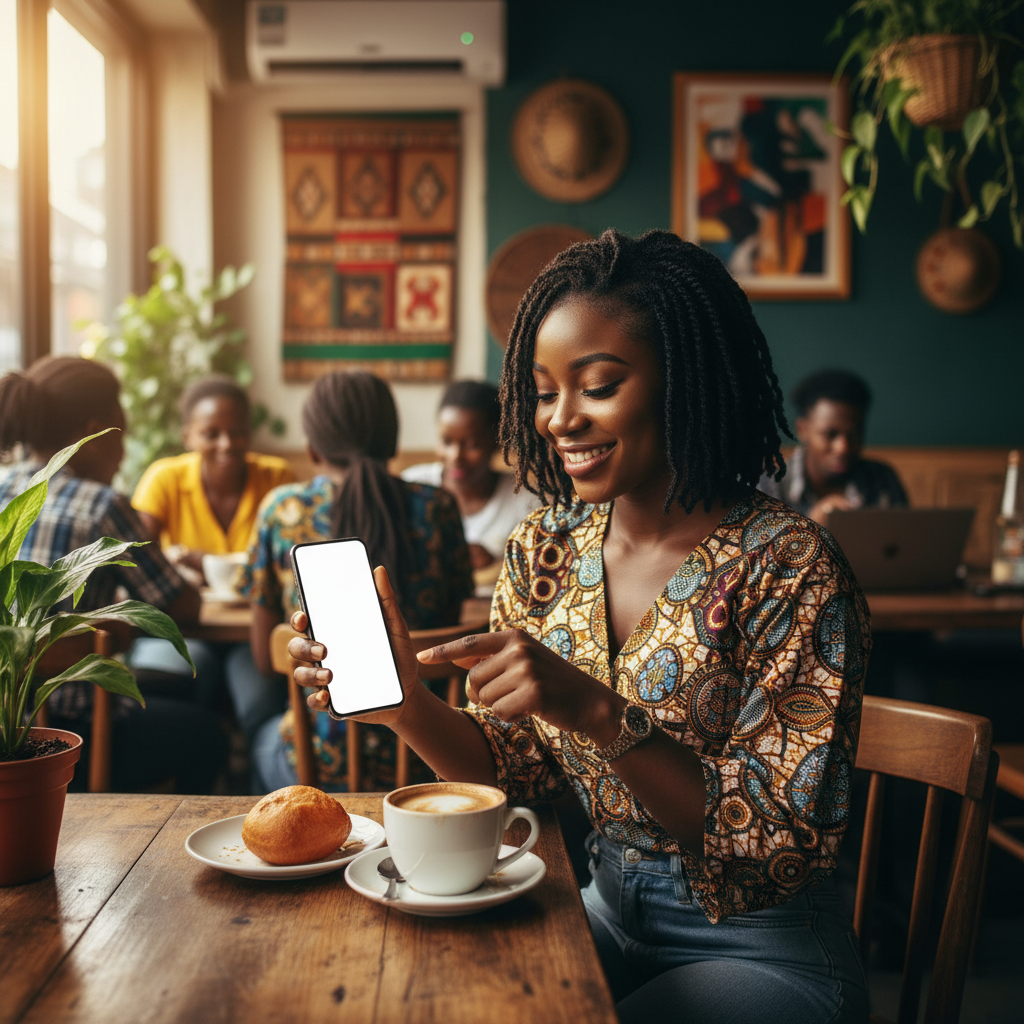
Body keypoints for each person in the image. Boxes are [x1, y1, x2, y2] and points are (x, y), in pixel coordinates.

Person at [288, 230, 872, 1024]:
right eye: (542, 390)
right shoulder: (545, 548)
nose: (560, 419)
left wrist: (595, 710)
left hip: (755, 942)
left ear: (687, 382)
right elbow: (512, 768)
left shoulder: (793, 566)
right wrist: (405, 703)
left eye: (597, 386)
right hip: (599, 902)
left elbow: (777, 841)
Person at [0, 356, 228, 793]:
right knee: (206, 732)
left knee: (173, 691)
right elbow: (179, 604)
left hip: (6, 736)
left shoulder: (4, 490)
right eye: (120, 435)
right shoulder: (102, 505)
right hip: (74, 738)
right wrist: (117, 625)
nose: (123, 452)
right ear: (93, 433)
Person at [239, 370, 474, 792]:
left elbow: (263, 657)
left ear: (312, 448)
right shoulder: (439, 509)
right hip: (432, 751)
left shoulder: (282, 510)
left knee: (258, 739)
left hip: (321, 763)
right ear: (392, 442)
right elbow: (444, 643)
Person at [128, 375, 293, 732]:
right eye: (211, 433)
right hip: (183, 630)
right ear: (187, 435)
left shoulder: (277, 480)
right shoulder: (164, 479)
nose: (227, 444)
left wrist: (202, 561)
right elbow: (137, 558)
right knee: (178, 689)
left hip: (253, 633)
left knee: (259, 706)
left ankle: (257, 782)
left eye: (237, 432)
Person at [401, 380, 539, 593]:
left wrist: (496, 562)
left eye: (473, 445)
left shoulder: (526, 498)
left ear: (497, 443)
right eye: (447, 442)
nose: (456, 456)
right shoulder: (414, 487)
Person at [759, 368, 907, 525]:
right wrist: (811, 527)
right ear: (803, 429)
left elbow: (903, 543)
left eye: (854, 435)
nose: (843, 448)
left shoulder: (882, 481)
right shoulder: (769, 486)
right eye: (830, 435)